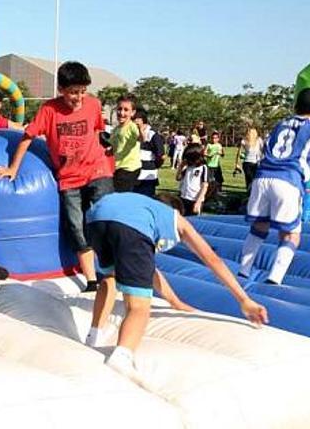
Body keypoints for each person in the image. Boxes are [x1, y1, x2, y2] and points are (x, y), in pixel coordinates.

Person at [84, 192, 268, 383]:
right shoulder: (175, 219)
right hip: (127, 228)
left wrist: (175, 301)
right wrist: (244, 300)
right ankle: (122, 356)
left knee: (110, 278)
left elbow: (146, 269)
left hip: (95, 219)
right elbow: (212, 259)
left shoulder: (142, 208)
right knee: (138, 307)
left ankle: (93, 334)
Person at [0, 61, 113, 293]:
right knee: (76, 227)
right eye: (72, 93)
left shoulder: (93, 104)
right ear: (61, 90)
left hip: (97, 170)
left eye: (82, 91)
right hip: (69, 178)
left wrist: (100, 154)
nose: (78, 97)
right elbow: (27, 137)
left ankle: (113, 271)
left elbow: (97, 130)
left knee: (106, 218)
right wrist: (13, 168)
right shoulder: (49, 110)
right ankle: (91, 280)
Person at [238, 88, 310, 285]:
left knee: (259, 226)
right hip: (288, 180)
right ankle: (275, 277)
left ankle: (243, 270)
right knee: (291, 233)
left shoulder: (281, 124)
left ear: (296, 105)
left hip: (262, 178)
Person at [110, 95, 142, 192]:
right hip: (117, 167)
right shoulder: (116, 129)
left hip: (129, 168)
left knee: (119, 198)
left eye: (126, 110)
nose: (121, 113)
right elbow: (114, 148)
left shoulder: (132, 126)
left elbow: (141, 139)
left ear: (133, 113)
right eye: (119, 109)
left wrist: (140, 129)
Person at [133, 108, 165, 197]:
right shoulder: (133, 133)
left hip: (147, 176)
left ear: (141, 120)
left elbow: (161, 155)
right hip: (133, 175)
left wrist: (153, 165)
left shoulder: (153, 135)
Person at [176, 143, 209, 216]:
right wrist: (181, 167)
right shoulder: (188, 167)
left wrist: (198, 202)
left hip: (194, 199)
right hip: (184, 197)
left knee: (194, 221)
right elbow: (178, 178)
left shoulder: (203, 168)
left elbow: (205, 186)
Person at [234, 127, 263, 193]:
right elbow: (238, 153)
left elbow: (263, 150)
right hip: (247, 163)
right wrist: (237, 164)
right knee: (249, 179)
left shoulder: (259, 140)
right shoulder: (244, 141)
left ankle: (254, 194)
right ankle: (249, 194)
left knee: (255, 180)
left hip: (256, 163)